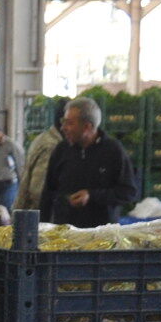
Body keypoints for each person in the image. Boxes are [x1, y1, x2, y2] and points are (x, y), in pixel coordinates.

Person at [41, 96, 138, 226]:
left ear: (87, 127)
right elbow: (48, 193)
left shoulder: (113, 151)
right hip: (64, 236)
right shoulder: (61, 150)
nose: (63, 128)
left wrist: (92, 196)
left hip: (101, 237)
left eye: (69, 123)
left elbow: (128, 192)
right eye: (63, 121)